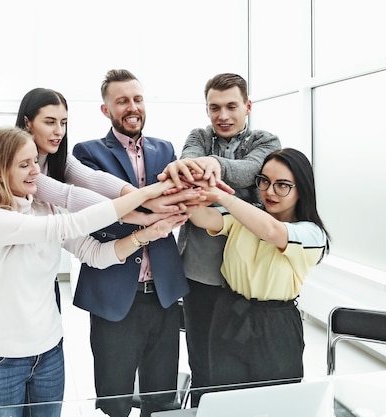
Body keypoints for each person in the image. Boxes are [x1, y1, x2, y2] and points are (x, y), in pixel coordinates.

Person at [0, 87, 193, 409]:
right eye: (50, 122)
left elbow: (93, 189)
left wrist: (149, 226)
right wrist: (142, 203)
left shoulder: (47, 183)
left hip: (47, 340)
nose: (59, 131)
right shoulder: (14, 200)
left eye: (64, 122)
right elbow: (72, 211)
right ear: (27, 124)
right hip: (6, 336)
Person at [157, 73, 281, 406]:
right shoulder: (198, 135)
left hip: (246, 279)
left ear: (247, 106)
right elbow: (187, 166)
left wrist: (212, 166)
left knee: (241, 363)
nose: (222, 115)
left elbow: (252, 171)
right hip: (200, 274)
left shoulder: (266, 141)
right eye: (214, 107)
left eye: (231, 106)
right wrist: (212, 176)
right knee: (202, 361)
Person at [71, 69, 189, 417]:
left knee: (161, 396)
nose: (132, 107)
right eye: (122, 101)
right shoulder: (87, 153)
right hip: (114, 293)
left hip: (163, 293)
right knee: (114, 398)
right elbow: (97, 213)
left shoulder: (164, 148)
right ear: (106, 110)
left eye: (137, 99)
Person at [183, 147, 330, 389]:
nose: (270, 191)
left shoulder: (311, 233)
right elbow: (202, 218)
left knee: (272, 402)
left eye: (282, 185)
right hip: (229, 313)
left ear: (301, 189)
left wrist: (224, 197)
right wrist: (191, 187)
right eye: (264, 181)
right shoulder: (246, 214)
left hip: (275, 324)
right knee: (224, 396)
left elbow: (271, 231)